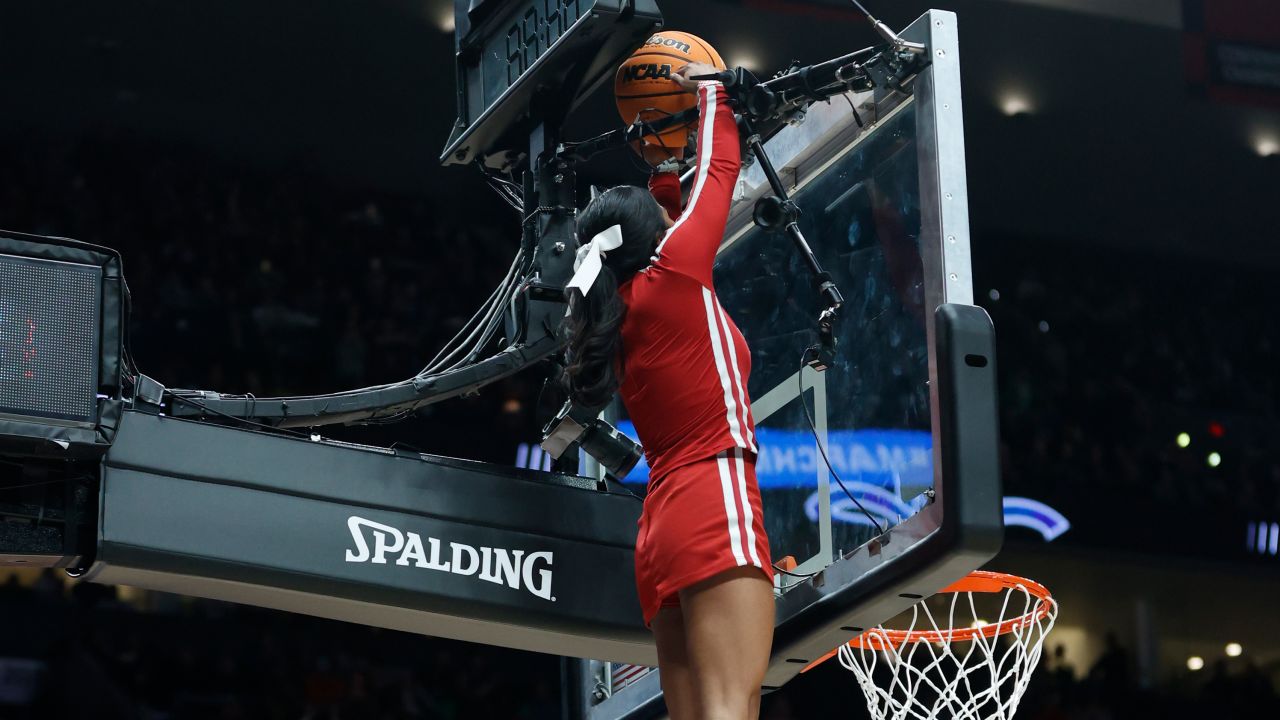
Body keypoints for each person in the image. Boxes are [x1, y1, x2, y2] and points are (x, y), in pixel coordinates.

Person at [561, 63, 773, 720]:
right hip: (712, 496)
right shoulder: (673, 275)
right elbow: (719, 172)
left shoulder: (619, 309)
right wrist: (714, 93)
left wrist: (662, 162)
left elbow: (670, 215)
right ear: (655, 238)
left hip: (661, 532)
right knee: (731, 707)